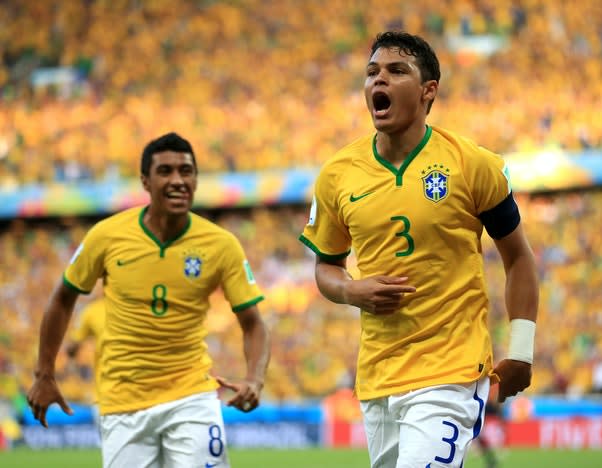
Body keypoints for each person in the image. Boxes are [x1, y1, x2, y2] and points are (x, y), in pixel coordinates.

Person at [299, 31, 538, 468]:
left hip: (452, 370)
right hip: (379, 376)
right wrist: (353, 291)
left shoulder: (472, 164)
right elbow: (326, 269)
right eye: (372, 73)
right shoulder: (337, 175)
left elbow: (519, 257)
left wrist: (521, 349)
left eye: (396, 71)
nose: (379, 81)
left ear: (429, 91)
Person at [27, 132, 271, 468]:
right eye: (166, 171)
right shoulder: (106, 235)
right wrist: (44, 374)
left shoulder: (221, 245)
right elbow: (62, 299)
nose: (177, 180)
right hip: (123, 402)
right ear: (145, 180)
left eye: (186, 171)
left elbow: (254, 323)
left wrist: (255, 379)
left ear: (196, 180)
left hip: (192, 395)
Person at [65, 296, 106, 423]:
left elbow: (72, 346)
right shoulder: (140, 304)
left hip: (106, 396)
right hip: (145, 394)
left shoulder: (93, 310)